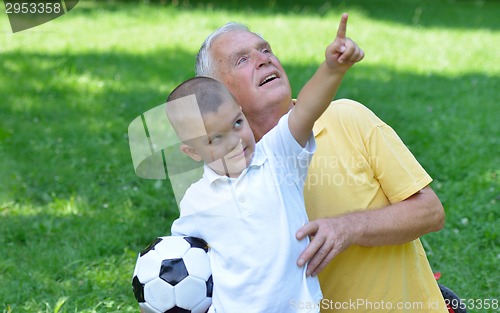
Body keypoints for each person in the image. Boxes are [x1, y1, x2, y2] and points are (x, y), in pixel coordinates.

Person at [194, 14, 448, 312]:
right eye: (242, 60)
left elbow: (430, 212)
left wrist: (348, 228)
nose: (263, 60)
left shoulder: (347, 117)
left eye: (265, 50)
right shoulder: (226, 182)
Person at [168, 14, 363, 312]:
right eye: (214, 139)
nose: (233, 141)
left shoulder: (276, 157)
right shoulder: (196, 200)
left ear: (241, 111)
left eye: (236, 123)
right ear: (193, 152)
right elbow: (181, 261)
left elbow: (307, 108)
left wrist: (332, 69)